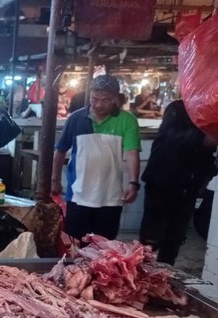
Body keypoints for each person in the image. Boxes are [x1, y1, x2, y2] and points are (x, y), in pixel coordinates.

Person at [52, 75, 141, 241]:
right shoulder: (76, 119)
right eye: (94, 99)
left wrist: (133, 182)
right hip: (78, 195)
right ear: (89, 95)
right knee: (74, 245)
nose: (99, 104)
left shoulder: (127, 120)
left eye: (106, 100)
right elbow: (60, 151)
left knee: (105, 249)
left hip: (110, 197)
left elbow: (132, 152)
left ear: (115, 98)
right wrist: (55, 179)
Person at [140, 100, 218, 265]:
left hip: (188, 189)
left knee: (173, 241)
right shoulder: (178, 108)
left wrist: (206, 178)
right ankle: (139, 280)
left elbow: (209, 156)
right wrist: (202, 138)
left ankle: (162, 282)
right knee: (150, 242)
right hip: (161, 184)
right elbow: (171, 136)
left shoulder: (212, 116)